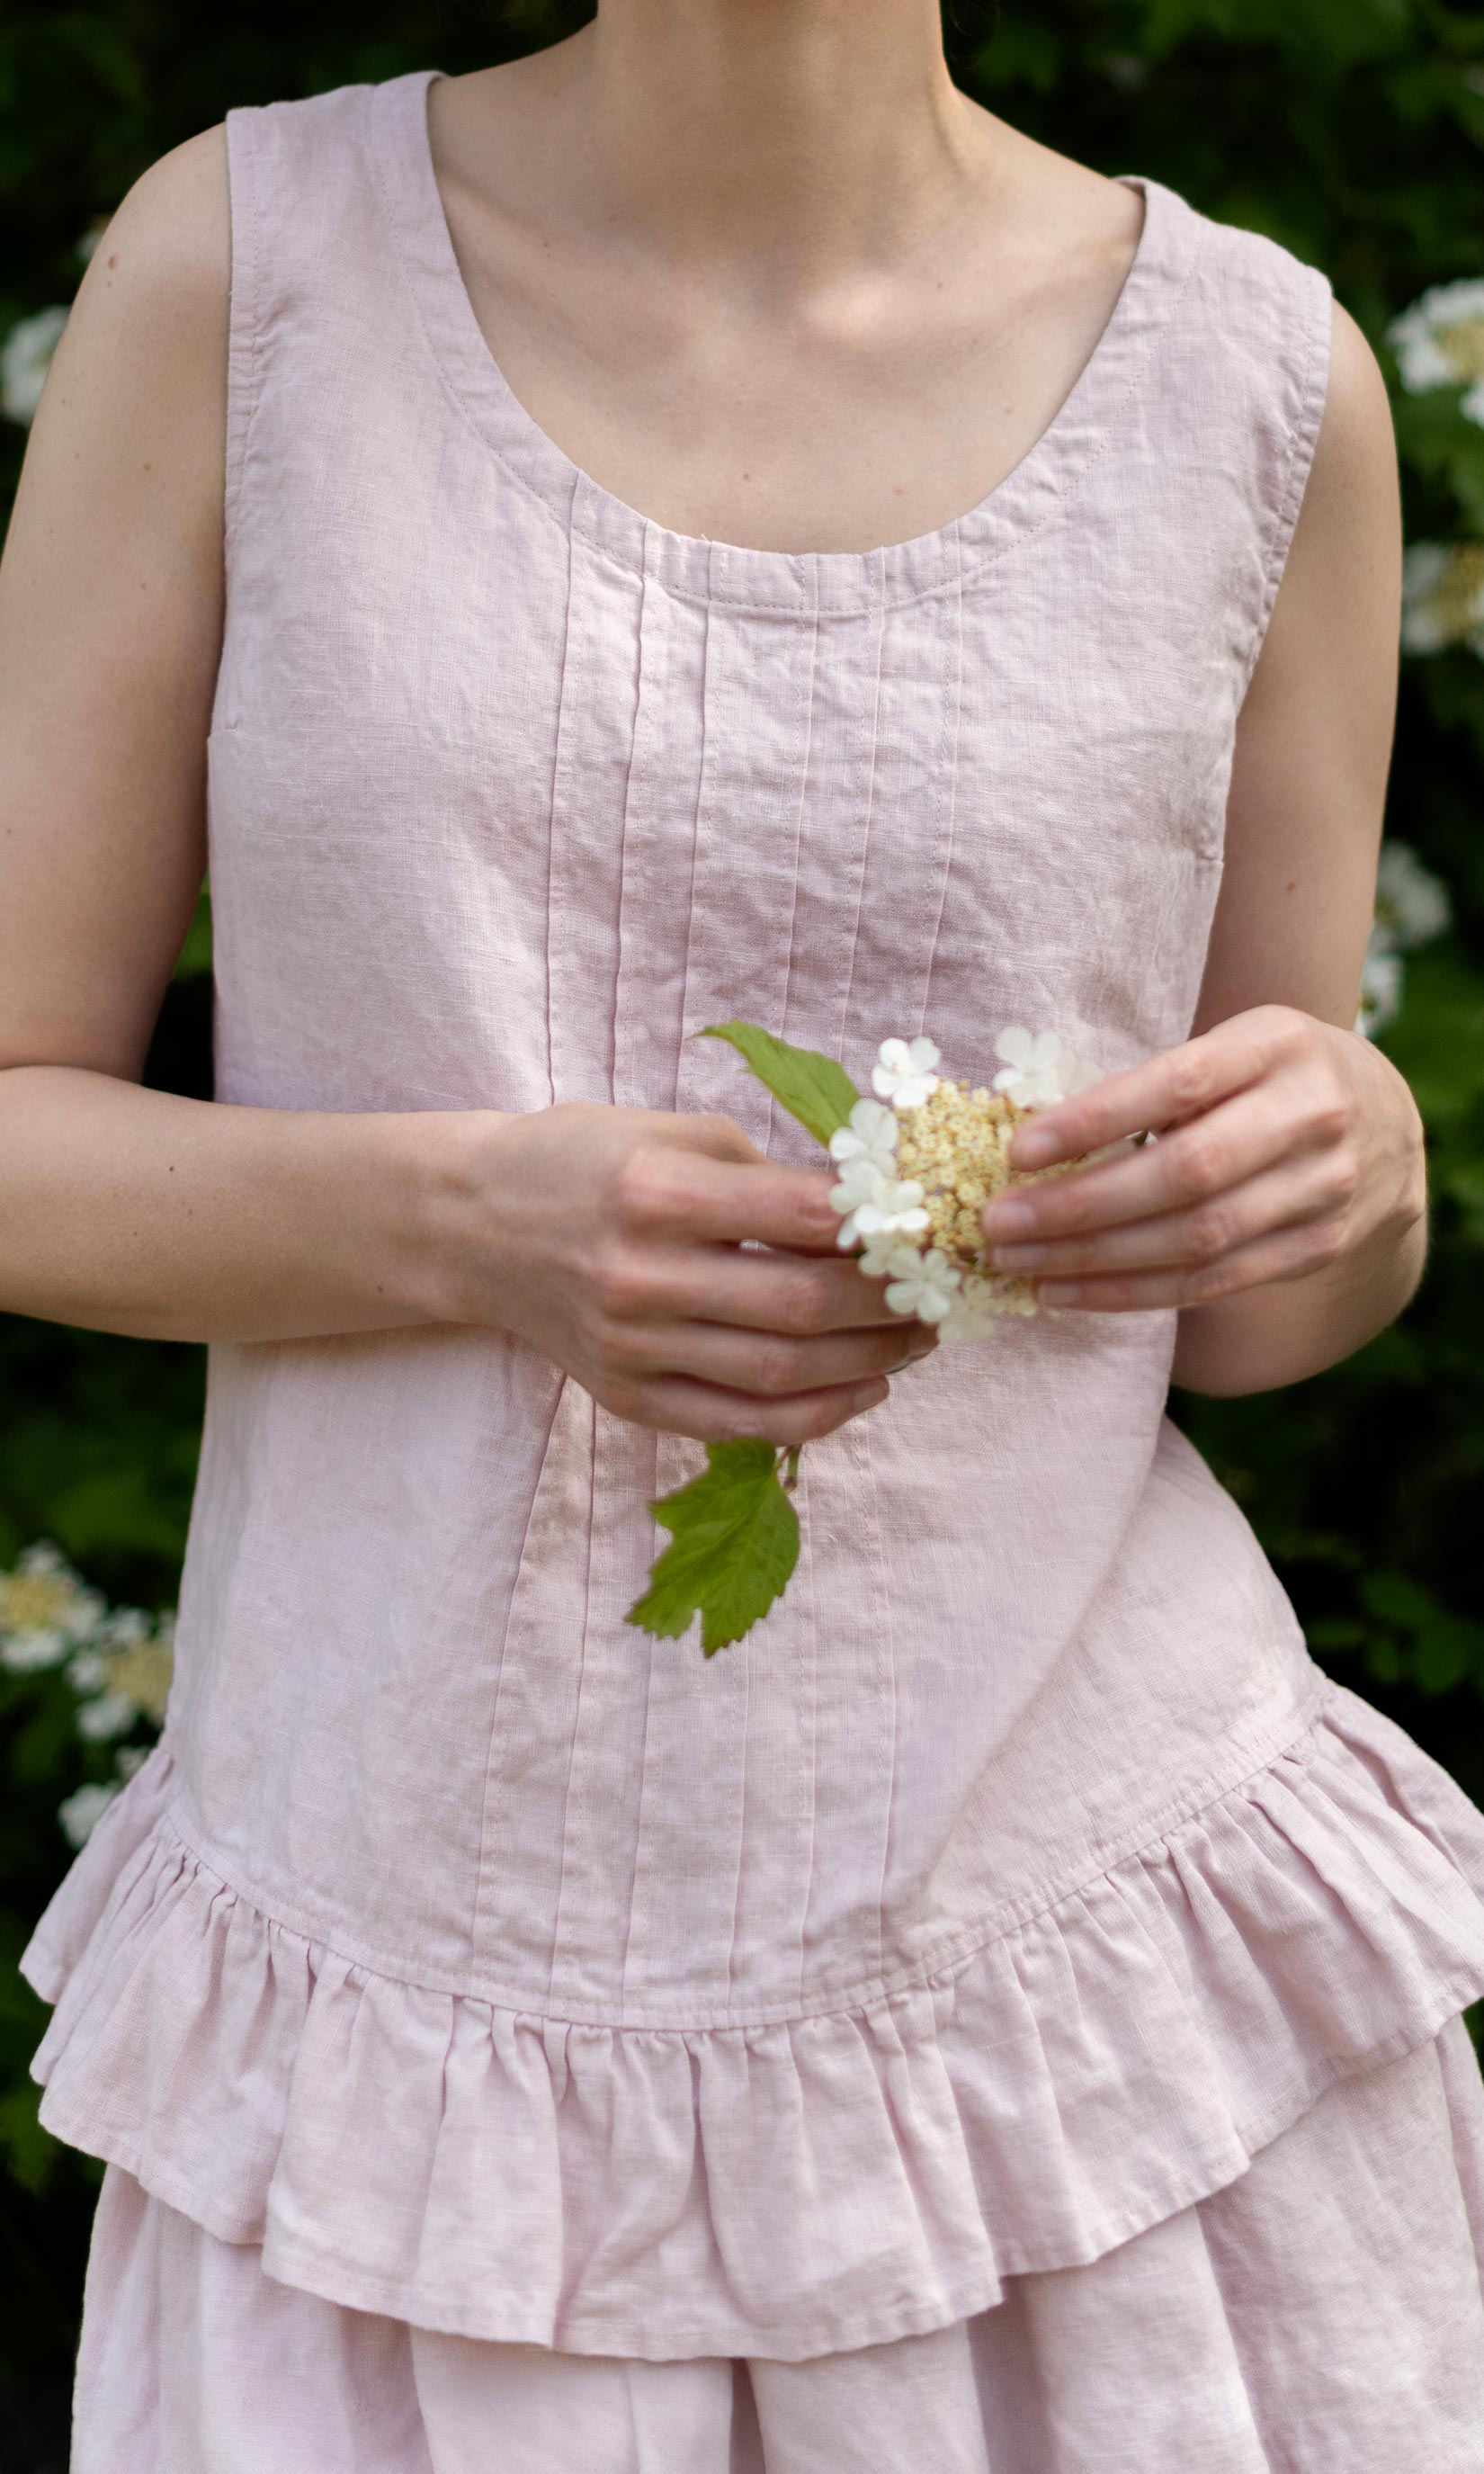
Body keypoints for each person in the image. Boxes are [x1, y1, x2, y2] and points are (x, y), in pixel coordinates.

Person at [3, 3, 1482, 2466]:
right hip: (412, 2063)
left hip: (1088, 2067)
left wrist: (1353, 1168)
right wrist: (469, 1223)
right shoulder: (250, 272)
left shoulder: (1255, 383)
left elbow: (1241, 1322)